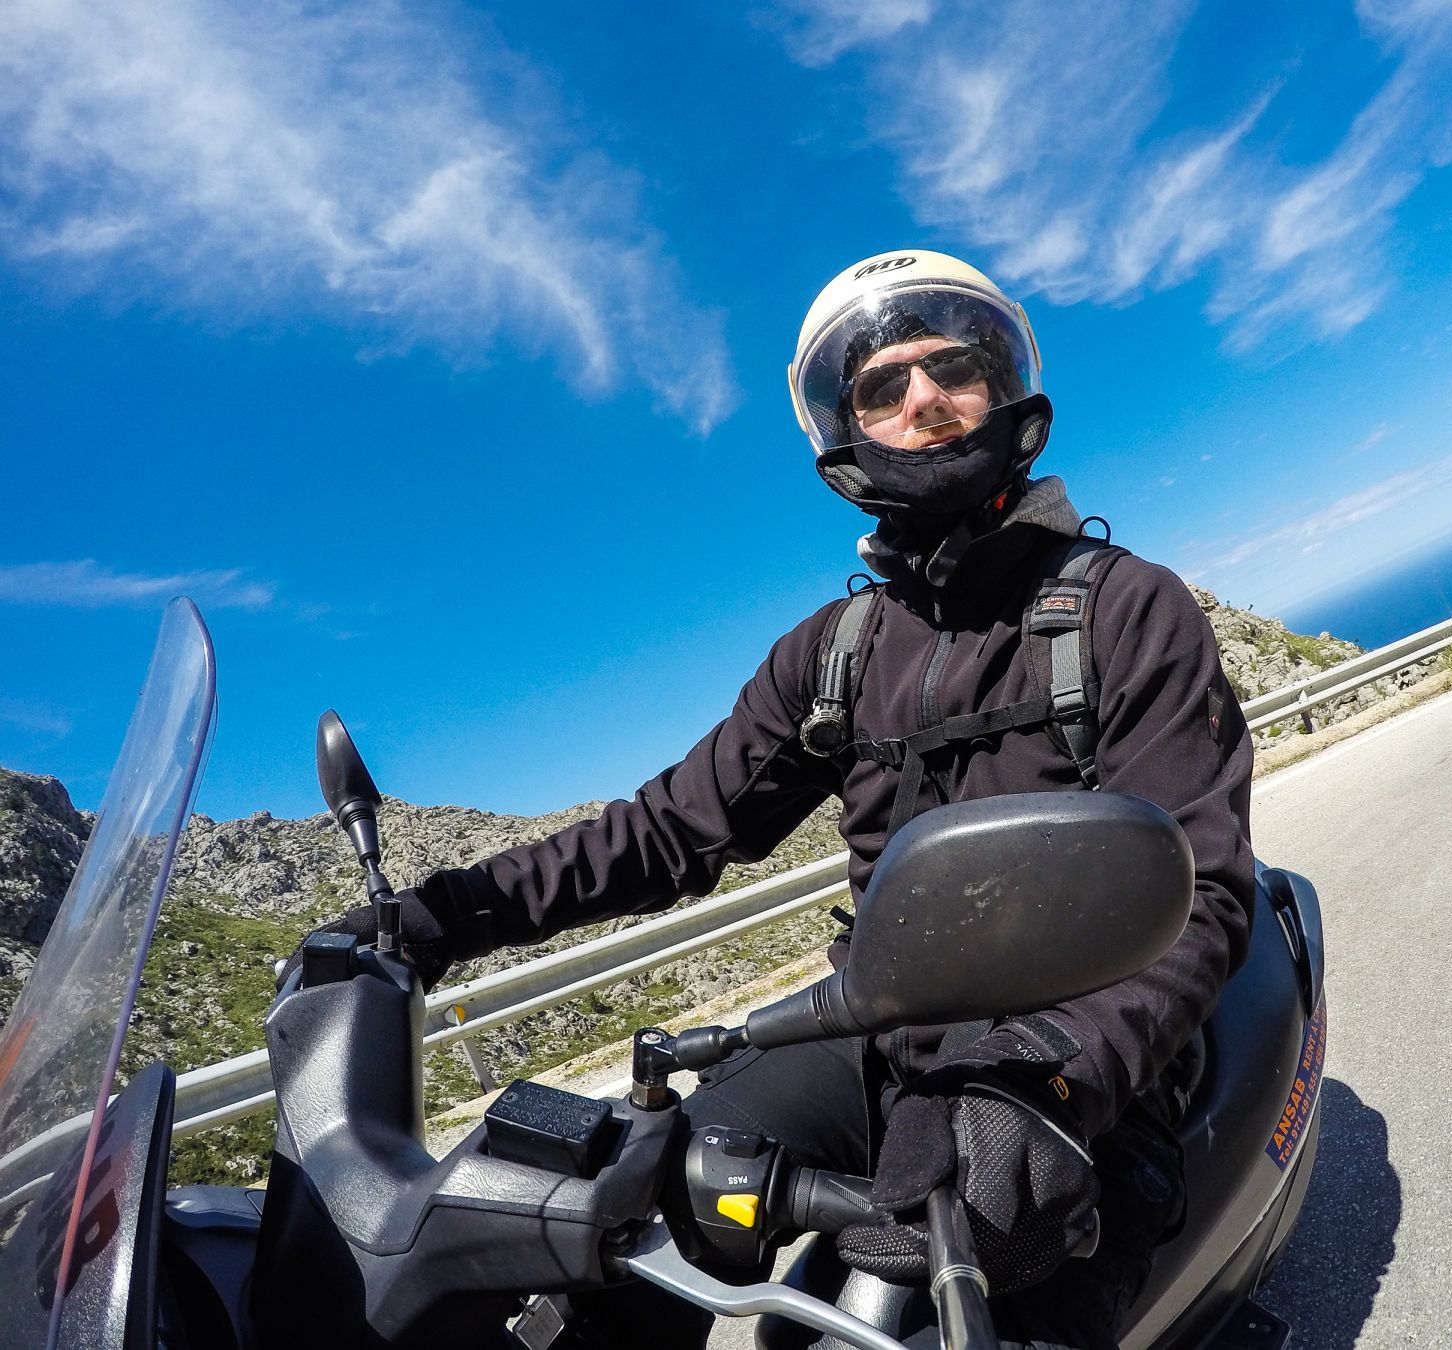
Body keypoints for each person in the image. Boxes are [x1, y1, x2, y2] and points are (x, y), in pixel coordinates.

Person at [299, 249, 1254, 1349]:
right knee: (605, 1238)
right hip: (879, 1030)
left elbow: (1204, 887)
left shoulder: (1126, 610)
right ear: (847, 435)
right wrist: (439, 916)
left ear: (1004, 386)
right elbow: (665, 832)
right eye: (883, 388)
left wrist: (1053, 1081)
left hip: (1077, 1055)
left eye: (950, 369)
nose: (924, 401)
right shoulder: (832, 656)